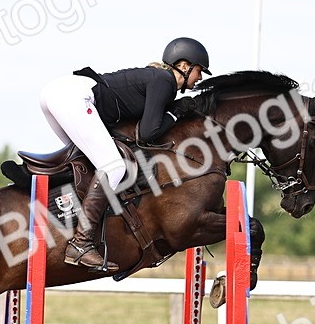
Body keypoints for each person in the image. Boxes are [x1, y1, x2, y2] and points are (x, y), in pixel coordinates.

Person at [38, 37, 211, 273]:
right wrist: (176, 113)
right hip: (73, 97)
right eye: (199, 71)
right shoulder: (164, 81)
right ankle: (81, 243)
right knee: (115, 167)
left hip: (57, 93)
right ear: (183, 65)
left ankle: (62, 215)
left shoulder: (156, 79)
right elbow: (148, 133)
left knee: (88, 162)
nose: (199, 77)